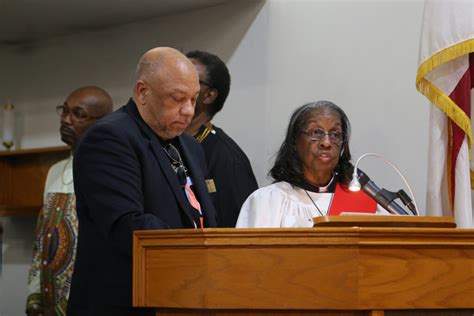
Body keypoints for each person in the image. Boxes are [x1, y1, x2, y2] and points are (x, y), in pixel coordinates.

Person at [67, 47, 217, 316]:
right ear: (142, 92)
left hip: (186, 296)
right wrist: (197, 252)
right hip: (125, 301)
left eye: (194, 100)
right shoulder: (109, 138)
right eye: (177, 98)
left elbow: (201, 216)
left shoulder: (191, 147)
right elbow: (129, 225)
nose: (188, 111)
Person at [26, 86, 113, 316]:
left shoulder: (111, 174)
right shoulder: (55, 171)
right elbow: (41, 242)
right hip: (47, 302)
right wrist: (34, 299)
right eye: (64, 111)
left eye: (78, 114)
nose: (66, 119)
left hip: (88, 304)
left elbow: (106, 252)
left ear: (102, 123)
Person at [236, 101, 387, 228]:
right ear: (295, 140)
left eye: (335, 134)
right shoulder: (268, 201)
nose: (326, 143)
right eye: (316, 132)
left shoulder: (365, 202)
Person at [184, 50, 258, 227]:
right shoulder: (164, 142)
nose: (176, 83)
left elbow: (239, 231)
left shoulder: (229, 160)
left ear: (209, 95)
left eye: (189, 79)